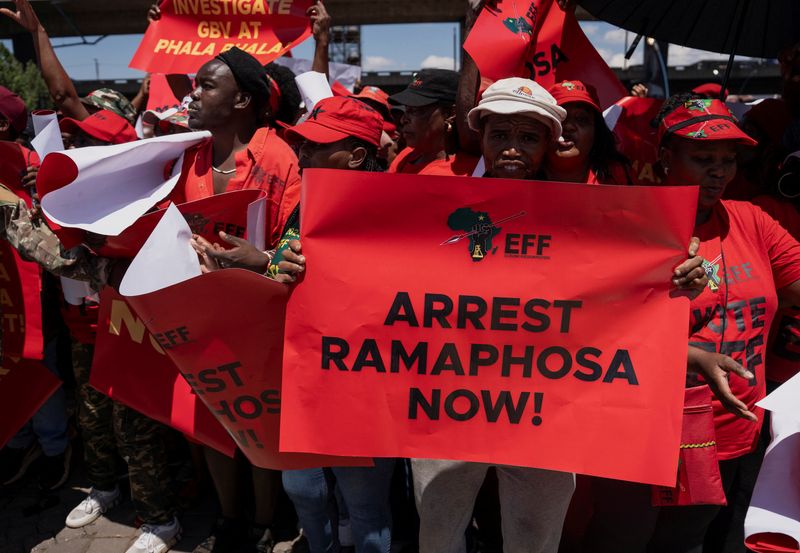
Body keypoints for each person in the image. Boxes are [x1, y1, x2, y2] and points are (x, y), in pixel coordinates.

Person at [275, 78, 710, 553]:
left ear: (548, 143)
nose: (512, 149)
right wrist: (291, 261)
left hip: (546, 412)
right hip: (446, 406)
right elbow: (357, 260)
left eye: (528, 137)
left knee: (535, 538)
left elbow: (654, 278)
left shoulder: (592, 212)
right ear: (480, 136)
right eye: (500, 135)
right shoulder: (429, 197)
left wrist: (689, 270)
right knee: (439, 533)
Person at [584, 95, 800, 553]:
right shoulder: (624, 222)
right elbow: (589, 330)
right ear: (665, 157)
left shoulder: (752, 221)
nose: (720, 171)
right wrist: (685, 348)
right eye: (703, 158)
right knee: (623, 541)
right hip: (641, 431)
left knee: (684, 544)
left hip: (730, 432)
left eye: (728, 160)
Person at [214, 95, 396, 553]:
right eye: (302, 144)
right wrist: (263, 264)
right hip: (302, 376)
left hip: (362, 386)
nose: (304, 155)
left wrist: (274, 264)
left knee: (365, 507)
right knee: (303, 491)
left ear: (357, 155)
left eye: (317, 146)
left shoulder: (391, 213)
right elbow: (289, 276)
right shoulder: (309, 200)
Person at [387, 69, 478, 176]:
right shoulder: (406, 155)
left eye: (415, 110)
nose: (403, 120)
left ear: (450, 114)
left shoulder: (467, 171)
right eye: (406, 109)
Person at [544, 80, 633, 185]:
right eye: (560, 117)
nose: (568, 127)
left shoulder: (617, 176)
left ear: (596, 131)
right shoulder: (524, 172)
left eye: (581, 119)